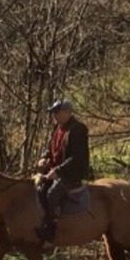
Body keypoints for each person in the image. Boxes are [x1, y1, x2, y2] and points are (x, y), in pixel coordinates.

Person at [35, 99, 90, 242]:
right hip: (55, 170)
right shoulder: (58, 127)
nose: (54, 116)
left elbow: (77, 157)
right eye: (54, 113)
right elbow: (51, 147)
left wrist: (58, 171)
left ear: (67, 112)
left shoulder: (79, 129)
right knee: (39, 188)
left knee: (52, 192)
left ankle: (51, 228)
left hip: (72, 173)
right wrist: (44, 157)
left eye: (57, 112)